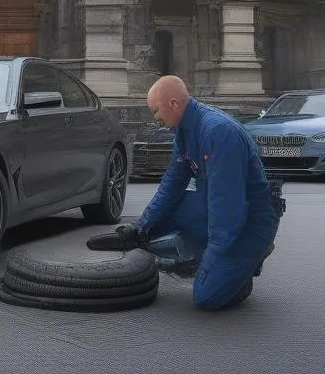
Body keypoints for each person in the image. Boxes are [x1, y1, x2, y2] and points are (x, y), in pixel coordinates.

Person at [115, 75, 280, 310]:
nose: (156, 119)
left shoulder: (217, 131)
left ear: (173, 103)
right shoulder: (184, 131)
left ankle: (246, 264)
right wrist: (141, 227)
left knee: (206, 298)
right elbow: (171, 184)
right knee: (154, 224)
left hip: (249, 220)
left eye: (155, 111)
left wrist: (210, 261)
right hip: (213, 204)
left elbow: (226, 208)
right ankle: (216, 263)